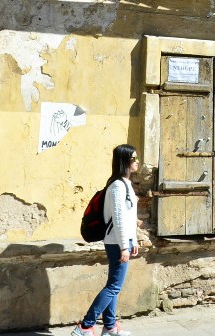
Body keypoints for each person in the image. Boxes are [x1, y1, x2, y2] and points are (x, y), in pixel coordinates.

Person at [72, 144, 140, 336]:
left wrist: (132, 241)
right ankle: (85, 326)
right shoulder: (117, 185)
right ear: (124, 161)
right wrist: (123, 247)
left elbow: (129, 217)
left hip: (122, 241)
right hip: (116, 242)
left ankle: (109, 326)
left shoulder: (125, 183)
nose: (137, 162)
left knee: (114, 285)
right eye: (133, 158)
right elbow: (118, 219)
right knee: (113, 286)